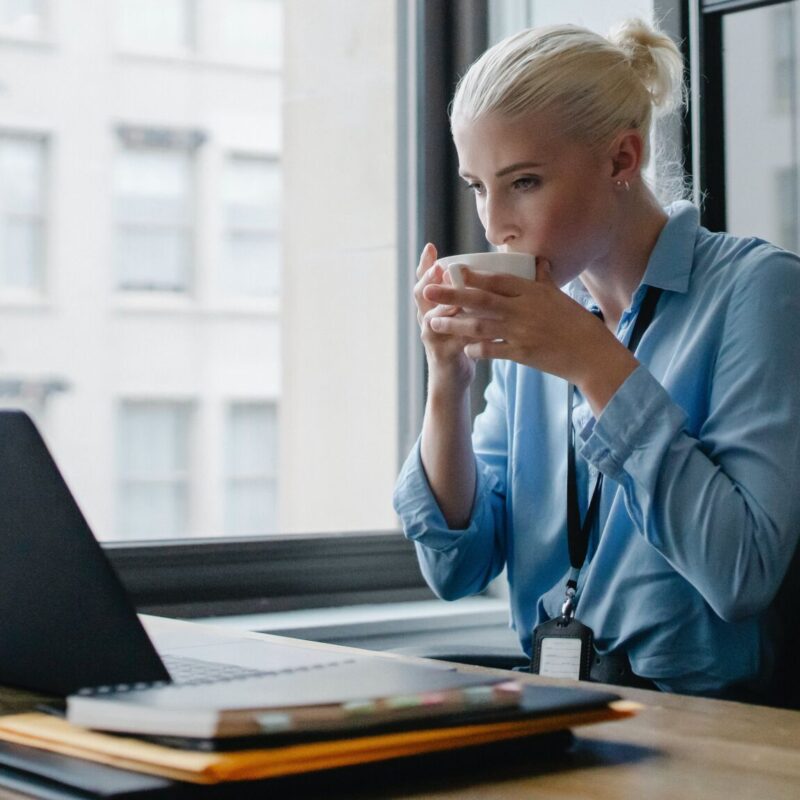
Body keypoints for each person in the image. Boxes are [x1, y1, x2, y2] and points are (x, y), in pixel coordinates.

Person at [393, 18, 800, 701]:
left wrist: (594, 364)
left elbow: (740, 575)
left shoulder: (759, 291)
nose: (495, 225)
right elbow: (453, 566)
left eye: (523, 182)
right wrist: (447, 383)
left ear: (621, 160)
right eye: (476, 186)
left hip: (714, 724)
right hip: (561, 707)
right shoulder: (542, 320)